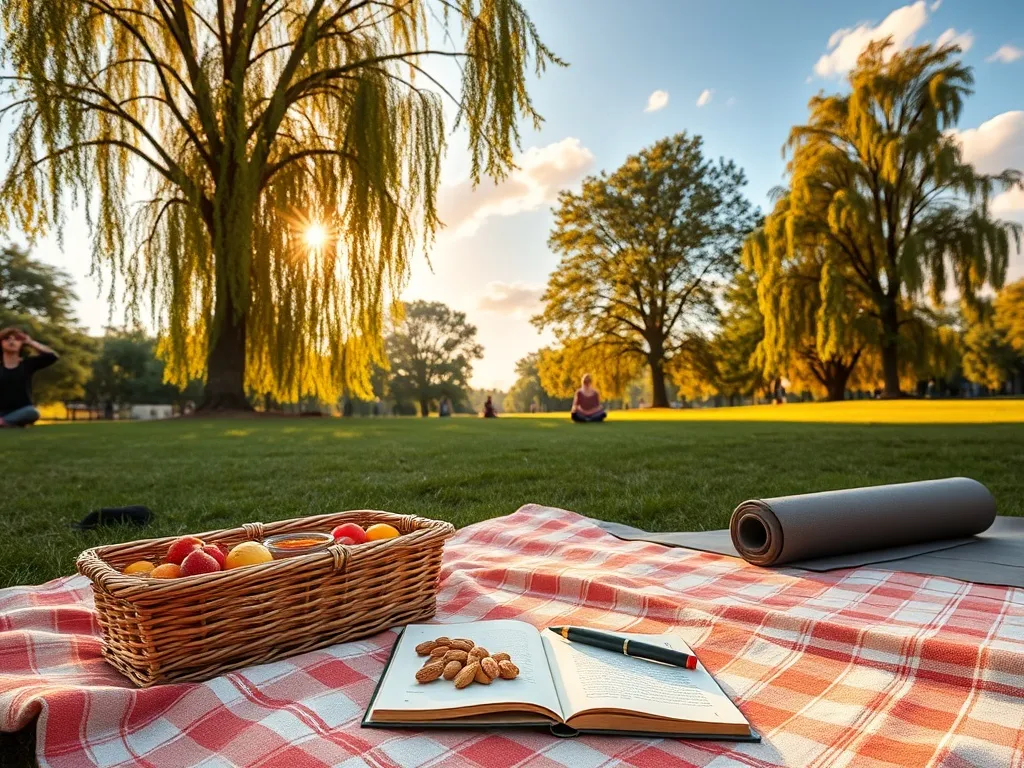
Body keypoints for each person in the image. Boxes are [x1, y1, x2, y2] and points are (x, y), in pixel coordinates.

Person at [0, 328, 59, 428]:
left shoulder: (27, 365)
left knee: (32, 412)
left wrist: (30, 342)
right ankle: (9, 423)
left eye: (16, 339)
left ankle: (5, 422)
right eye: (7, 338)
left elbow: (52, 357)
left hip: (23, 411)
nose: (12, 341)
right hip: (1, 412)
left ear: (21, 343)